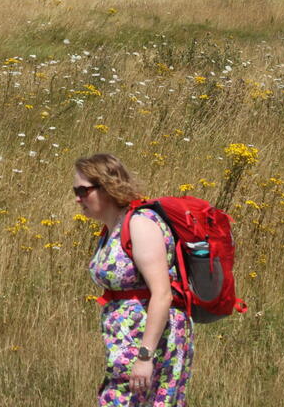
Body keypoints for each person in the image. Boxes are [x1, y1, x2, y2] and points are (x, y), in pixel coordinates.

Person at [75, 153, 193, 406]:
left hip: (151, 344)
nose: (77, 198)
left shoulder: (140, 224)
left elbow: (162, 294)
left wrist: (145, 356)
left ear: (106, 188)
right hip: (125, 345)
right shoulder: (112, 229)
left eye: (83, 190)